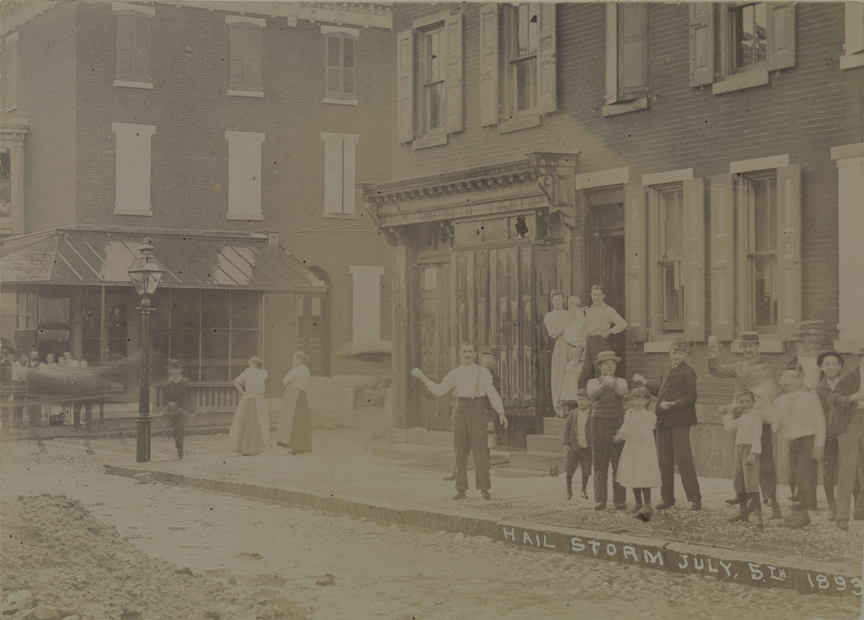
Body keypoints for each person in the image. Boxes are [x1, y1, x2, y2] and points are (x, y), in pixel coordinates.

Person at [412, 342, 508, 500]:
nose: (467, 354)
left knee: (481, 452)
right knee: (460, 452)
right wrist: (422, 377)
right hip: (459, 411)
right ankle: (461, 489)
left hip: (477, 410)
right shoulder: (454, 374)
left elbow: (492, 393)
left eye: (470, 351)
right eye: (464, 351)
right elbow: (438, 390)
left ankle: (484, 488)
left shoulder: (482, 372)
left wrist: (501, 412)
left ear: (475, 354)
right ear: (460, 354)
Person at [708, 332, 782, 518]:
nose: (748, 349)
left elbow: (774, 389)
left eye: (751, 346)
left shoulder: (766, 367)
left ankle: (772, 500)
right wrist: (713, 353)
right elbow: (716, 371)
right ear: (741, 347)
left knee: (765, 461)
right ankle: (745, 499)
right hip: (742, 421)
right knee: (743, 460)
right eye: (744, 346)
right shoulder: (737, 367)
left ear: (757, 346)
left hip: (761, 418)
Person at [633, 337, 702, 511]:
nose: (677, 356)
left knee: (684, 460)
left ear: (686, 355)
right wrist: (644, 382)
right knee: (664, 460)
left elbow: (692, 397)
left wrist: (673, 404)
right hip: (663, 420)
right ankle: (667, 498)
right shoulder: (666, 369)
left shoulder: (688, 371)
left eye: (680, 353)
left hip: (680, 421)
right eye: (674, 352)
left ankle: (695, 499)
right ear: (669, 352)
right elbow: (660, 392)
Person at [763, 365, 825, 528]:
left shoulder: (809, 397)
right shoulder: (780, 400)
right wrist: (775, 423)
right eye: (786, 377)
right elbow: (776, 421)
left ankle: (802, 515)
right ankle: (797, 512)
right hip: (793, 442)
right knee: (793, 477)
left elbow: (820, 421)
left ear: (800, 379)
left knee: (803, 477)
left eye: (793, 377)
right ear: (781, 380)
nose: (789, 380)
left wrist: (819, 445)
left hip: (808, 440)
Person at [816, 351, 861, 531]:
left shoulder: (848, 381)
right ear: (821, 367)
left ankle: (858, 506)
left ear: (840, 366)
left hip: (849, 428)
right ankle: (833, 506)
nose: (831, 368)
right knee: (830, 470)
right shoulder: (820, 388)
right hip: (830, 431)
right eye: (827, 364)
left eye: (834, 364)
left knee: (853, 468)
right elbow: (820, 410)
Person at [587, 350, 629, 511]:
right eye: (606, 363)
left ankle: (620, 500)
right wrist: (603, 386)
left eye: (613, 363)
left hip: (617, 423)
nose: (610, 366)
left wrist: (613, 385)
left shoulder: (621, 381)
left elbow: (623, 393)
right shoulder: (593, 382)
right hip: (598, 424)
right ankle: (600, 500)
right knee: (600, 463)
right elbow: (592, 394)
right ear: (599, 366)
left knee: (618, 463)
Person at [615, 386, 662, 519]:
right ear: (631, 400)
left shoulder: (649, 415)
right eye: (635, 399)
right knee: (633, 475)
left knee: (643, 475)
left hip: (643, 448)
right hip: (631, 448)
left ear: (647, 401)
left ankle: (647, 504)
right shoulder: (629, 412)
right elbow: (625, 427)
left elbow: (645, 433)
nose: (638, 402)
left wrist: (632, 433)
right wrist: (622, 434)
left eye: (642, 399)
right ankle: (638, 503)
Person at [723, 389, 764, 527]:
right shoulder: (742, 418)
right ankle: (743, 511)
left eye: (748, 401)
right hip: (739, 450)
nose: (744, 404)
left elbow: (757, 435)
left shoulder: (756, 416)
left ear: (753, 402)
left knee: (751, 482)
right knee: (739, 481)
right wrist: (729, 412)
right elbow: (728, 426)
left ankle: (758, 514)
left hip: (750, 451)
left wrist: (753, 453)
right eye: (741, 402)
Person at [578, 285, 627, 390]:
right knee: (583, 377)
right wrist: (585, 349)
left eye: (598, 295)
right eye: (594, 295)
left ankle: (601, 398)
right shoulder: (589, 310)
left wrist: (609, 331)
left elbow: (623, 324)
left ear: (603, 296)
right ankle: (583, 399)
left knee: (600, 376)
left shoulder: (608, 310)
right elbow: (586, 330)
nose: (596, 298)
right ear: (591, 295)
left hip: (601, 344)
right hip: (589, 344)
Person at [227, 357, 270, 456]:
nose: (249, 366)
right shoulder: (263, 372)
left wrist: (243, 392)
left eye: (250, 364)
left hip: (248, 397)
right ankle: (256, 448)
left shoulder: (247, 372)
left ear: (254, 364)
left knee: (245, 422)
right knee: (258, 422)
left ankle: (245, 448)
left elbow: (236, 381)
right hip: (258, 399)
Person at [544, 291, 576, 417]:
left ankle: (570, 408)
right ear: (552, 301)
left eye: (560, 300)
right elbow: (555, 334)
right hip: (561, 345)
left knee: (571, 374)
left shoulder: (569, 313)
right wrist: (568, 321)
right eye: (555, 300)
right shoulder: (549, 316)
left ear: (563, 300)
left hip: (572, 345)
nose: (558, 302)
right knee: (559, 376)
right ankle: (559, 409)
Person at [276, 351, 312, 453]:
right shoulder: (303, 369)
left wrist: (292, 368)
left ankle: (299, 446)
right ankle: (301, 446)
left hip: (297, 395)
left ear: (300, 360)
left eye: (296, 359)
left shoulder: (299, 369)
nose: (293, 361)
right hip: (299, 394)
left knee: (296, 420)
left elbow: (286, 380)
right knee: (299, 420)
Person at [562, 388, 592, 500]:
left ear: (589, 401)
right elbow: (567, 429)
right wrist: (565, 443)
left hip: (586, 447)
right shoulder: (573, 413)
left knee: (586, 470)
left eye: (584, 400)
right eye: (579, 399)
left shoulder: (592, 414)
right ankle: (569, 491)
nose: (581, 402)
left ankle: (583, 490)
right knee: (569, 469)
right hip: (574, 447)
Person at [162, 359, 192, 459]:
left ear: (180, 370)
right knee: (176, 430)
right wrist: (169, 403)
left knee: (180, 430)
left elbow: (189, 397)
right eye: (172, 369)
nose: (174, 371)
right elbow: (164, 398)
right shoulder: (168, 383)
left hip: (183, 409)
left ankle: (180, 451)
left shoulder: (185, 382)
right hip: (172, 410)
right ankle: (179, 449)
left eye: (176, 369)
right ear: (169, 370)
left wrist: (190, 410)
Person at [558, 345, 584, 412]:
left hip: (576, 380)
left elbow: (580, 371)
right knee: (569, 392)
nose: (576, 358)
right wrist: (574, 365)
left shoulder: (581, 364)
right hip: (570, 381)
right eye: (574, 356)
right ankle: (569, 408)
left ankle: (575, 403)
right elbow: (568, 369)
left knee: (575, 391)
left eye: (578, 356)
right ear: (571, 357)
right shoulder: (570, 363)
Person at [72, 359, 94, 432]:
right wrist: (73, 381)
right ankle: (76, 427)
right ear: (80, 365)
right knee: (77, 410)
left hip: (87, 394)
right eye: (82, 364)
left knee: (88, 411)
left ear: (87, 365)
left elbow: (91, 383)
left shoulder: (90, 373)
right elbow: (72, 383)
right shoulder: (76, 373)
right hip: (78, 394)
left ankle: (89, 427)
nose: (84, 365)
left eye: (85, 364)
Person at [11, 353, 28, 429]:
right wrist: (18, 379)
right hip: (17, 386)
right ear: (20, 358)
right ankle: (16, 424)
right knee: (17, 405)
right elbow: (12, 377)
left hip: (23, 386)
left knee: (21, 406)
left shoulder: (24, 366)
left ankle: (19, 423)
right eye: (24, 360)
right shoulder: (14, 365)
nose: (25, 361)